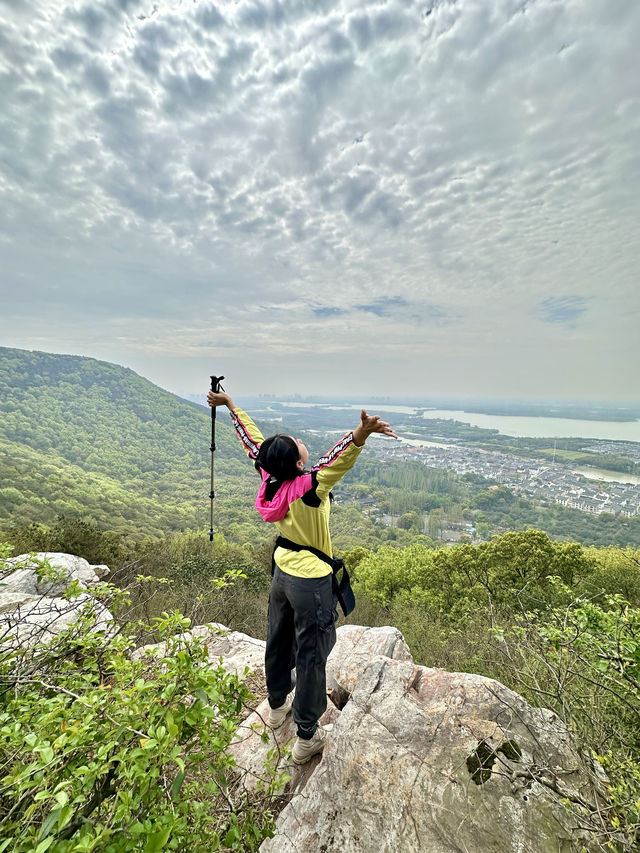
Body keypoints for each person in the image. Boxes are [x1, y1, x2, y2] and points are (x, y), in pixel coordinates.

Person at [207, 389, 397, 764]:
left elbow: (254, 442)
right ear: (296, 464)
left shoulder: (268, 475)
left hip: (281, 570)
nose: (298, 441)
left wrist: (231, 406)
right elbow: (336, 460)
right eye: (296, 444)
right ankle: (306, 736)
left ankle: (277, 705)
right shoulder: (310, 486)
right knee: (311, 656)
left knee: (278, 638)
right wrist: (361, 433)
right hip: (310, 581)